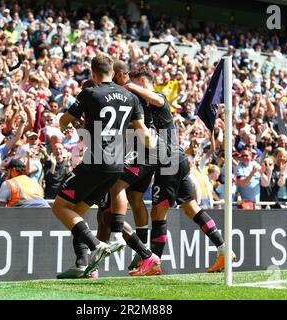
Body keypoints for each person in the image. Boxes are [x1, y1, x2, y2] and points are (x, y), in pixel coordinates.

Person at [124, 66, 235, 274]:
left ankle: (154, 263)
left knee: (158, 211)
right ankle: (223, 249)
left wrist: (129, 86)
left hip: (170, 160)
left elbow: (158, 100)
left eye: (133, 83)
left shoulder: (157, 96)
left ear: (140, 81)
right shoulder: (145, 104)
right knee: (191, 207)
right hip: (177, 158)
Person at [51, 54, 153, 278]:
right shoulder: (130, 96)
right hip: (117, 166)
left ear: (93, 73)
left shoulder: (90, 92)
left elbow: (63, 122)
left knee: (60, 207)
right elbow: (144, 133)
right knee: (77, 211)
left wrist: (73, 123)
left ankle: (97, 245)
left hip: (96, 162)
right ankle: (81, 265)